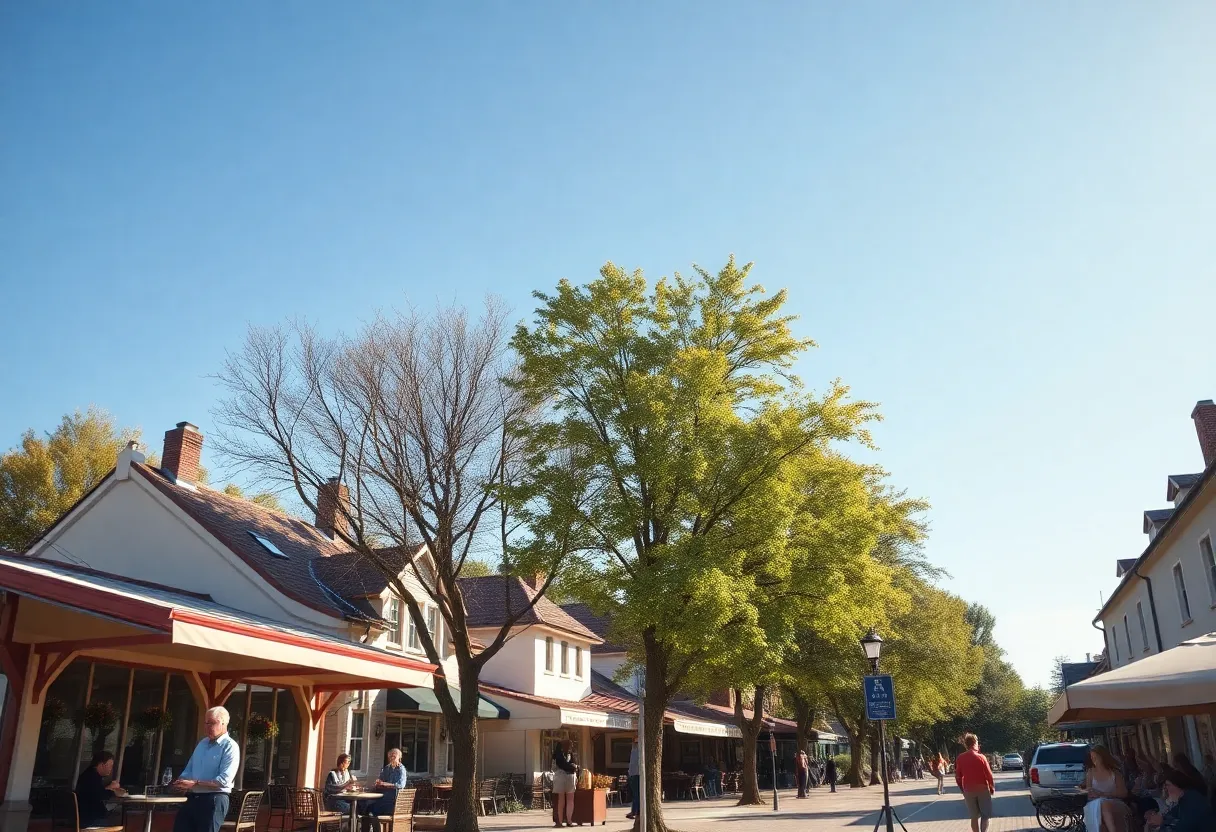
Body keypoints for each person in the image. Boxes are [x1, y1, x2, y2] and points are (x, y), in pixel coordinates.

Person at [170, 706, 240, 832]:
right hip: (193, 798)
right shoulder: (202, 744)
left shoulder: (230, 747)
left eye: (211, 723)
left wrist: (195, 783)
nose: (207, 727)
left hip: (214, 799)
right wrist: (181, 782)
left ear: (223, 723)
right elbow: (189, 769)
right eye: (206, 723)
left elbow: (224, 780)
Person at [1145, 769, 1216, 832]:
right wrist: (1158, 817)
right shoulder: (1184, 799)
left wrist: (1162, 822)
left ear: (1177, 785)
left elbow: (1185, 827)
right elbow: (1172, 814)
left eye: (1168, 785)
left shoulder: (1192, 798)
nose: (1166, 789)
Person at [954, 733, 996, 832]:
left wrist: (962, 789)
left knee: (974, 817)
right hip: (982, 789)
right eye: (977, 742)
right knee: (985, 815)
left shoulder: (960, 758)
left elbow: (958, 776)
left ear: (966, 744)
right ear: (975, 743)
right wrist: (991, 786)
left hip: (968, 790)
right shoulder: (981, 757)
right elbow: (989, 775)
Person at [362, 748, 407, 832]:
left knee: (371, 810)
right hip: (383, 798)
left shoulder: (401, 769)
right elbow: (381, 780)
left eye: (394, 756)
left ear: (399, 757)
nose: (392, 758)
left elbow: (401, 785)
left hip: (393, 802)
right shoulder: (387, 768)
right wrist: (378, 783)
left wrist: (385, 784)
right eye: (390, 756)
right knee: (365, 807)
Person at [76, 750, 123, 829]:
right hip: (91, 820)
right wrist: (113, 789)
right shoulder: (91, 777)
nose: (111, 769)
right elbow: (101, 796)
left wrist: (109, 788)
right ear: (101, 765)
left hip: (85, 816)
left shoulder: (89, 774)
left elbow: (96, 792)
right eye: (110, 765)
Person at [552, 739, 577, 828]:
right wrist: (573, 767)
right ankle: (566, 821)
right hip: (565, 777)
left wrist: (573, 767)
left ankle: (563, 821)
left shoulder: (559, 754)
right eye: (570, 746)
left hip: (563, 777)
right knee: (567, 800)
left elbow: (564, 765)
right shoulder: (562, 754)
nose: (571, 747)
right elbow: (565, 765)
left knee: (562, 800)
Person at [625, 738, 640, 821]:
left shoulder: (637, 750)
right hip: (633, 774)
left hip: (636, 774)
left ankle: (635, 811)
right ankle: (635, 811)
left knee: (636, 794)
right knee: (635, 794)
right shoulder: (634, 751)